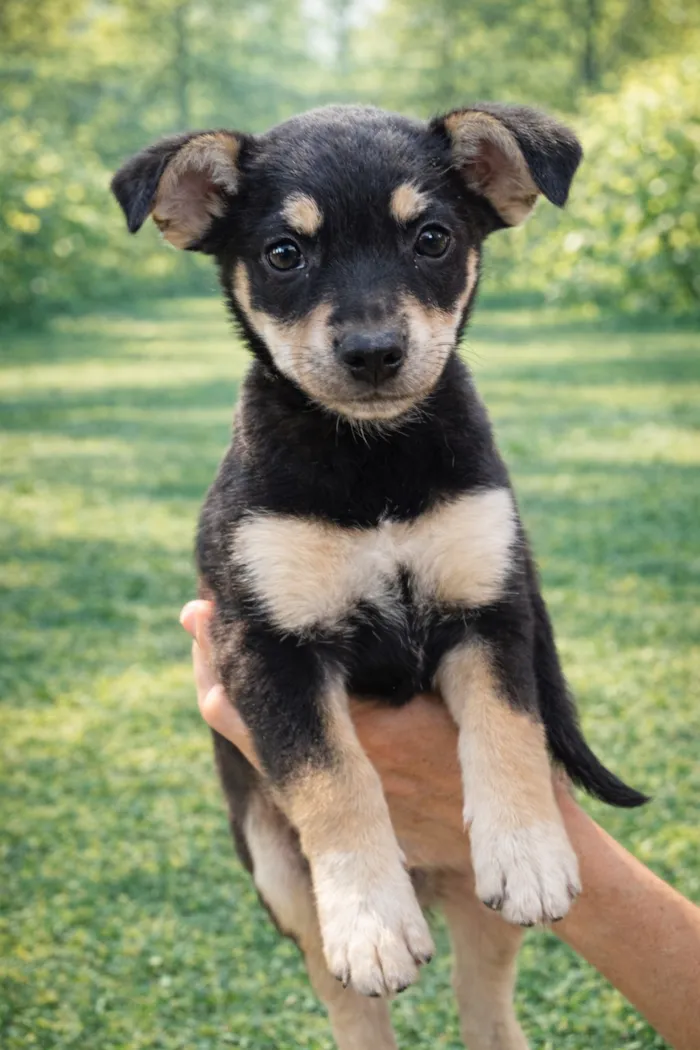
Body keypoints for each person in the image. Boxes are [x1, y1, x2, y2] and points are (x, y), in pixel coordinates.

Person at [181, 600, 700, 1050]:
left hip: (476, 789)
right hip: (292, 821)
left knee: (487, 992)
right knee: (323, 949)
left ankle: (489, 1020)